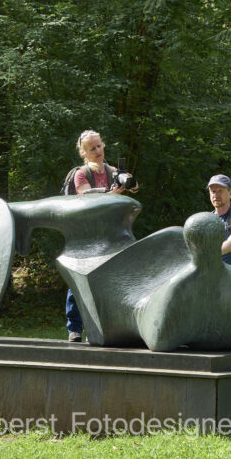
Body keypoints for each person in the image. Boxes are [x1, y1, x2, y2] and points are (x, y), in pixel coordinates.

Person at [66, 130, 131, 342]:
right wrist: (114, 193)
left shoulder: (112, 171)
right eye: (92, 148)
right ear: (83, 153)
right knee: (78, 279)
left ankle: (100, 329)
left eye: (100, 146)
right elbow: (90, 199)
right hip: (86, 235)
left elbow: (135, 187)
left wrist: (127, 180)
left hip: (109, 234)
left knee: (106, 282)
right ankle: (74, 328)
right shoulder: (81, 174)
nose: (98, 151)